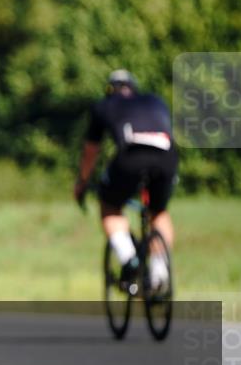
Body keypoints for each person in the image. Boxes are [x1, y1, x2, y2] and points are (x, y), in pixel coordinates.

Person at [74, 70, 177, 290]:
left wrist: (82, 182)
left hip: (132, 155)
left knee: (109, 205)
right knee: (158, 211)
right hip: (167, 155)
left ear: (110, 90)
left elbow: (91, 151)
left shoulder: (105, 104)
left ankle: (129, 258)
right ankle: (160, 273)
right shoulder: (154, 100)